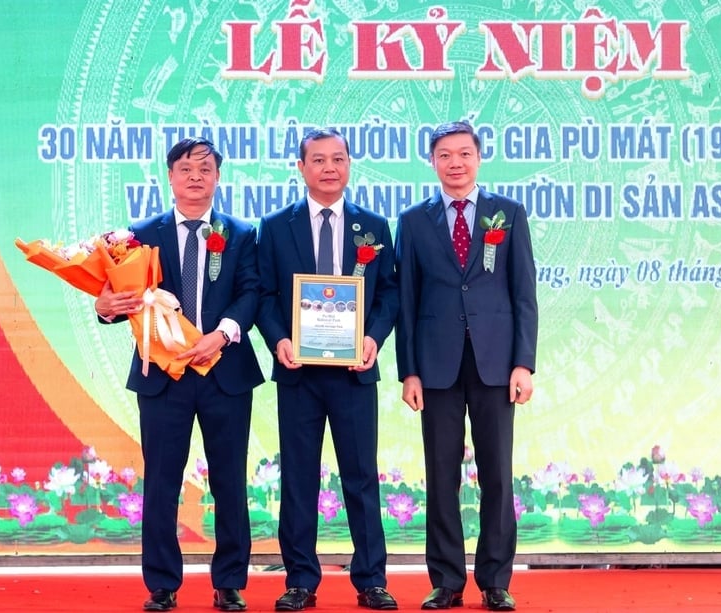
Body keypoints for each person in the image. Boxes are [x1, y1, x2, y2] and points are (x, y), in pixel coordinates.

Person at [95, 138, 263, 612]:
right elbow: (116, 299)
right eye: (186, 168)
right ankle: (163, 584)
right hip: (162, 376)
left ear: (217, 178)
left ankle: (229, 582)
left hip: (225, 373)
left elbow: (250, 292)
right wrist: (103, 307)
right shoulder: (138, 235)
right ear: (169, 176)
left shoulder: (241, 233)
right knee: (163, 481)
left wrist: (223, 334)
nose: (195, 176)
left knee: (229, 480)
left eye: (205, 169)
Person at [395, 121, 538, 612]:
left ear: (479, 157)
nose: (454, 163)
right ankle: (447, 581)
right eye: (444, 155)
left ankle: (495, 579)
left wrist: (524, 364)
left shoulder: (509, 214)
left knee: (497, 473)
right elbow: (407, 302)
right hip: (435, 367)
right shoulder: (414, 222)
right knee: (441, 474)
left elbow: (524, 296)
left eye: (463, 154)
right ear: (432, 161)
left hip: (497, 364)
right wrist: (408, 371)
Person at [255, 128, 400, 611]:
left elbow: (388, 294)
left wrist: (374, 337)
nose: (329, 168)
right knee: (298, 477)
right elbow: (266, 295)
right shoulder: (276, 227)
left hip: (354, 372)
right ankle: (300, 580)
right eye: (318, 160)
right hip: (298, 372)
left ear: (350, 164)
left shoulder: (374, 227)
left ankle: (371, 579)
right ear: (301, 167)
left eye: (338, 158)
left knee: (361, 476)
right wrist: (278, 338)